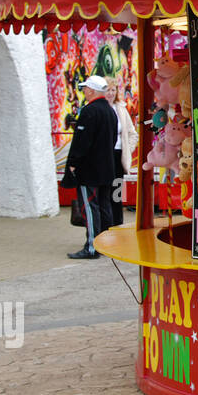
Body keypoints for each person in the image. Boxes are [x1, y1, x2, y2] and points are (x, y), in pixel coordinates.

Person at [63, 75, 118, 259]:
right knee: (104, 206)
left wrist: (73, 163)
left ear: (92, 91)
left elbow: (82, 142)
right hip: (107, 168)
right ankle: (106, 244)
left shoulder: (89, 111)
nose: (84, 91)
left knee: (89, 206)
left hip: (90, 170)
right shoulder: (110, 111)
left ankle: (92, 246)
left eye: (86, 88)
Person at [106, 79, 139, 226]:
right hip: (103, 157)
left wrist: (127, 150)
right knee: (104, 192)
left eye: (113, 90)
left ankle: (118, 224)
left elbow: (133, 134)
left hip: (118, 156)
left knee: (117, 193)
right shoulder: (97, 108)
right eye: (108, 90)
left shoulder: (121, 108)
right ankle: (105, 226)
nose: (111, 93)